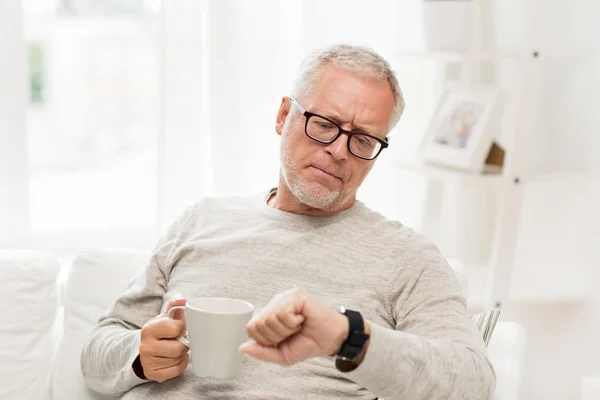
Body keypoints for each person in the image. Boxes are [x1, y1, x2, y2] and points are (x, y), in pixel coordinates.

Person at [81, 44, 496, 400]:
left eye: (363, 140)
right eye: (324, 125)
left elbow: (473, 380)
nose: (339, 151)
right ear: (284, 116)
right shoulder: (201, 219)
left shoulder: (406, 256)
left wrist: (345, 335)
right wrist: (137, 353)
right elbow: (98, 350)